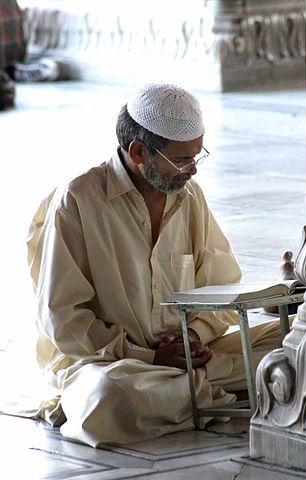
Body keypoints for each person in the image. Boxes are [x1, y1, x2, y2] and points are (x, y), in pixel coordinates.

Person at [28, 83, 285, 447]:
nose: (193, 169)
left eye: (198, 155)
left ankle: (188, 395)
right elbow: (63, 320)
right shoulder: (78, 200)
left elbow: (222, 284)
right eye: (181, 159)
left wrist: (191, 338)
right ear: (138, 152)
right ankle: (239, 392)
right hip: (113, 365)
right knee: (107, 399)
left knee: (301, 341)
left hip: (190, 359)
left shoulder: (189, 195)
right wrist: (147, 355)